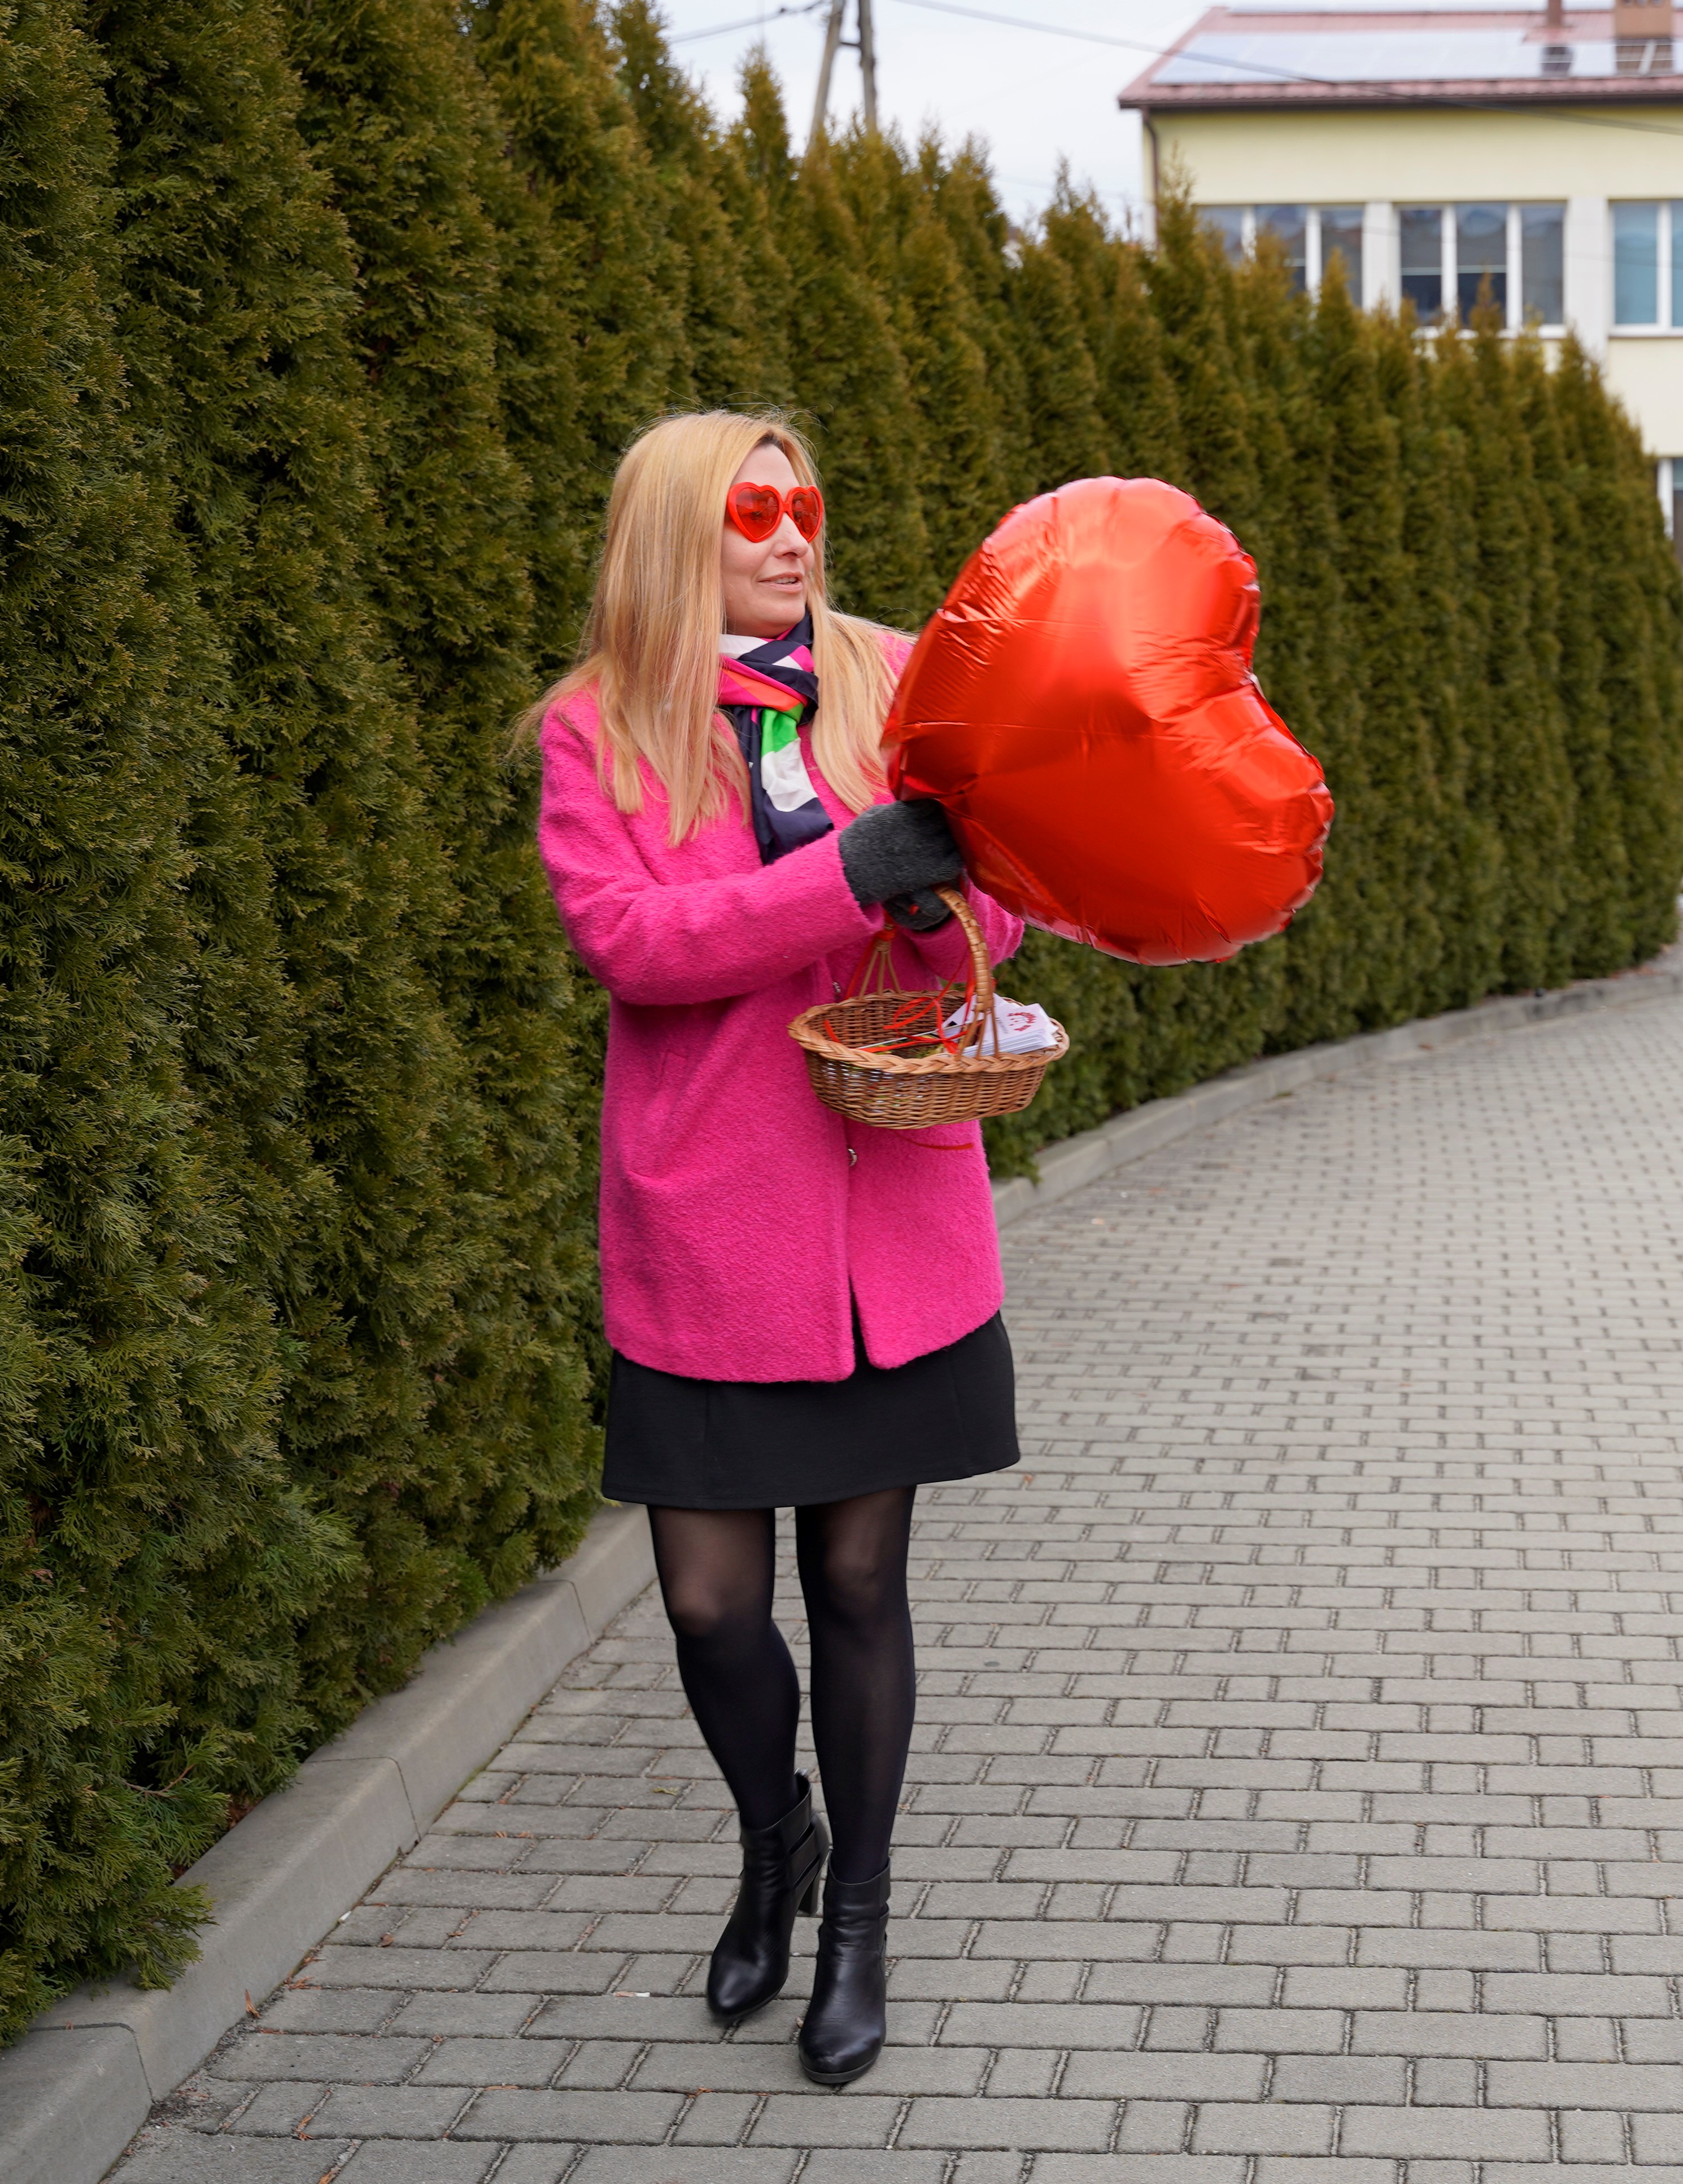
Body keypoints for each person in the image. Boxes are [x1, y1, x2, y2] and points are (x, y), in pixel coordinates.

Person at [533, 411, 1022, 2086]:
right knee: (709, 1602)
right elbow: (629, 941)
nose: (791, 534)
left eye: (806, 503)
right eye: (752, 511)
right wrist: (838, 886)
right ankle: (774, 1841)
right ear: (680, 529)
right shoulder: (596, 725)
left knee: (862, 1581)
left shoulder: (897, 682)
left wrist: (930, 895)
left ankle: (860, 1924)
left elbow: (995, 898)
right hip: (712, 1235)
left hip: (892, 1217)